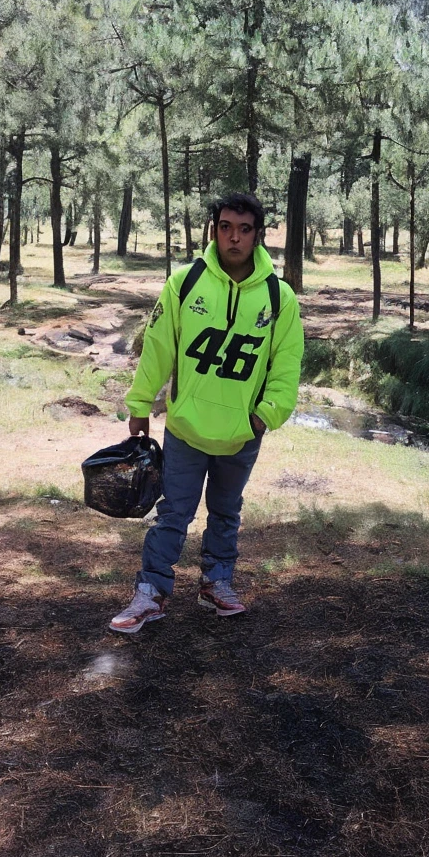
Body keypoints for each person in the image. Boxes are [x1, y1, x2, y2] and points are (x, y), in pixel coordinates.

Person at [109, 192, 304, 634]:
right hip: (186, 428)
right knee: (173, 513)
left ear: (258, 235)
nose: (234, 238)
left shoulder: (279, 297)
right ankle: (151, 593)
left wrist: (264, 417)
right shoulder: (186, 282)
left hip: (241, 433)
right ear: (213, 229)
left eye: (244, 229)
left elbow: (286, 363)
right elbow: (159, 347)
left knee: (225, 512)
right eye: (225, 227)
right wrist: (140, 404)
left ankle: (217, 583)